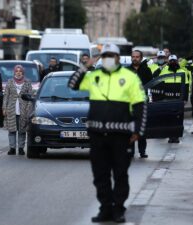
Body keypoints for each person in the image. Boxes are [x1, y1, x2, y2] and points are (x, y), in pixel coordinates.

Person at [68, 44, 146, 223]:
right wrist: (85, 66)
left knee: (120, 174)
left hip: (121, 136)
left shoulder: (130, 77)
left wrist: (138, 131)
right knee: (100, 175)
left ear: (118, 57)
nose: (108, 59)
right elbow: (72, 84)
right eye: (105, 56)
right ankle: (105, 208)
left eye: (111, 55)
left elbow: (141, 105)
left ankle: (118, 209)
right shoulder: (93, 76)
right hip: (97, 136)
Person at [158, 55, 190, 143]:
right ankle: (170, 136)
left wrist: (185, 99)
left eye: (174, 61)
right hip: (168, 98)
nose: (172, 62)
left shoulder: (182, 71)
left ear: (177, 61)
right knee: (169, 118)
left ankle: (176, 137)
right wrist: (161, 98)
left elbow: (186, 86)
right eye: (171, 61)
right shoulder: (164, 71)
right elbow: (160, 84)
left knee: (178, 119)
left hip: (179, 99)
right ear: (168, 62)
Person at [127, 50, 153, 158]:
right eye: (133, 56)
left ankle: (142, 151)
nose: (135, 58)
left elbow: (151, 86)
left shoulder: (146, 70)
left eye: (137, 57)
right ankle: (130, 151)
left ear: (141, 58)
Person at [3, 65, 33, 155]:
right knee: (11, 130)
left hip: (23, 110)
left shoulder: (27, 82)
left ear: (23, 73)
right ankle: (12, 148)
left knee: (22, 130)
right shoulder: (10, 82)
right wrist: (4, 108)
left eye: (20, 71)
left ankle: (21, 148)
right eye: (17, 71)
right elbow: (6, 96)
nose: (18, 73)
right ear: (14, 72)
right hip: (11, 110)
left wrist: (28, 109)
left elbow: (30, 97)